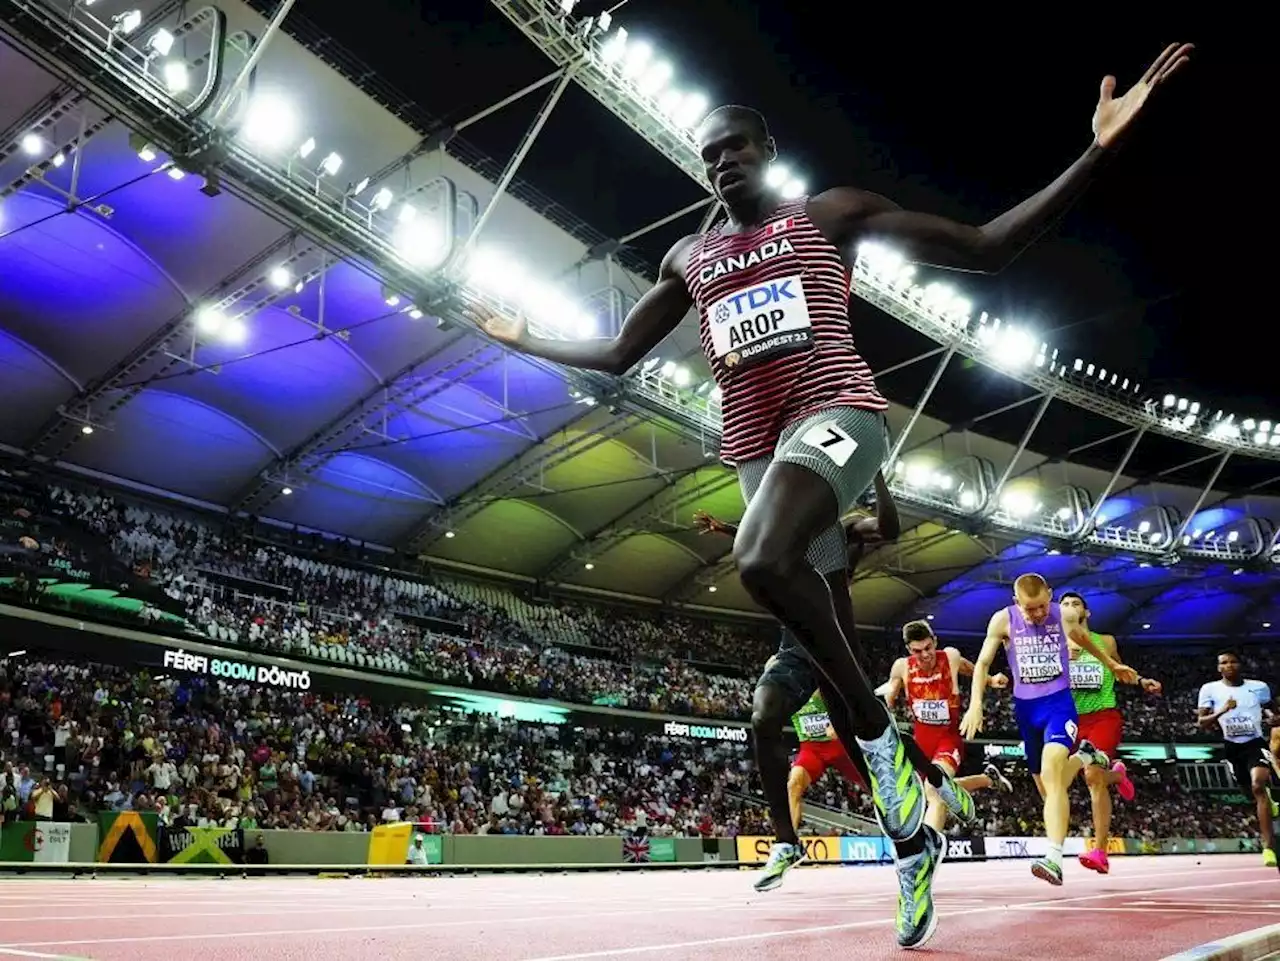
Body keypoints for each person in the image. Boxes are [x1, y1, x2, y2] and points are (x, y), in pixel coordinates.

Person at [471, 42, 1190, 947]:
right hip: (755, 451)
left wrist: (1097, 151)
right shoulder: (689, 255)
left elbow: (988, 247)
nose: (722, 162)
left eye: (736, 147)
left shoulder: (830, 215)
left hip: (840, 414)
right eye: (708, 155)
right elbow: (619, 353)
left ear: (767, 152)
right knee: (823, 637)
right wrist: (526, 337)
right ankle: (910, 840)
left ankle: (883, 739)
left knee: (760, 557)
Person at [692, 471, 954, 895]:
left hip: (836, 642)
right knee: (763, 716)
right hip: (795, 644)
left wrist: (877, 477)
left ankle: (936, 791)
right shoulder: (787, 524)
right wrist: (727, 530)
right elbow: (760, 540)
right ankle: (785, 842)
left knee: (873, 743)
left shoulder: (844, 530)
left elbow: (888, 528)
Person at [961, 573, 1137, 885]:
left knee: (1053, 773)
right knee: (1046, 788)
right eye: (1030, 610)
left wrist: (1112, 665)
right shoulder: (1002, 621)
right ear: (1017, 603)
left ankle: (1053, 858)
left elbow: (1083, 640)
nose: (1038, 613)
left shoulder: (1064, 614)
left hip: (1058, 705)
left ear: (1050, 596)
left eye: (1043, 606)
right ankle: (1084, 757)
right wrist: (976, 704)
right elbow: (984, 664)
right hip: (1026, 711)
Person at [1059, 591, 1163, 874]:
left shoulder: (1104, 641)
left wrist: (1141, 681)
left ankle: (1100, 851)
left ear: (1086, 613)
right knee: (1063, 779)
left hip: (1104, 716)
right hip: (1070, 721)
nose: (1069, 608)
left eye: (1075, 604)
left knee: (1092, 776)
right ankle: (1118, 774)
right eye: (1064, 604)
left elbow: (1118, 668)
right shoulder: (1054, 645)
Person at [882, 620, 1014, 835]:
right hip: (921, 745)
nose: (925, 655)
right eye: (918, 651)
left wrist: (990, 680)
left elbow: (968, 668)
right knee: (930, 794)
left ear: (935, 642)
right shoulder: (902, 667)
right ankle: (988, 779)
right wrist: (886, 699)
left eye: (928, 648)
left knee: (935, 791)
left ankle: (928, 848)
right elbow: (890, 693)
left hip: (948, 739)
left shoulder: (949, 657)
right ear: (908, 649)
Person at [1197, 650, 1279, 868]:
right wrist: (1222, 710)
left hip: (1255, 743)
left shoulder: (1258, 687)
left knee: (1258, 785)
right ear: (1218, 668)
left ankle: (1269, 848)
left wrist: (1273, 719)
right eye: (1224, 662)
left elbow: (1272, 710)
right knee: (1249, 793)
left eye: (1233, 662)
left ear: (1240, 664)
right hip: (1232, 747)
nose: (1229, 665)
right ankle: (1268, 801)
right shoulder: (1210, 689)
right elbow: (1202, 722)